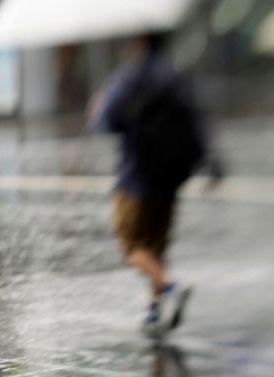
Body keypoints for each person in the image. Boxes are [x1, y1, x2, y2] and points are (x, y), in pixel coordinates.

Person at [89, 32, 220, 340]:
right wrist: (209, 162)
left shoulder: (129, 77)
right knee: (156, 249)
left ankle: (171, 287)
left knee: (131, 246)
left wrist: (97, 108)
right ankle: (154, 309)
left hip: (136, 177)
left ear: (139, 43)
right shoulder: (177, 77)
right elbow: (196, 122)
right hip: (170, 177)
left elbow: (106, 120)